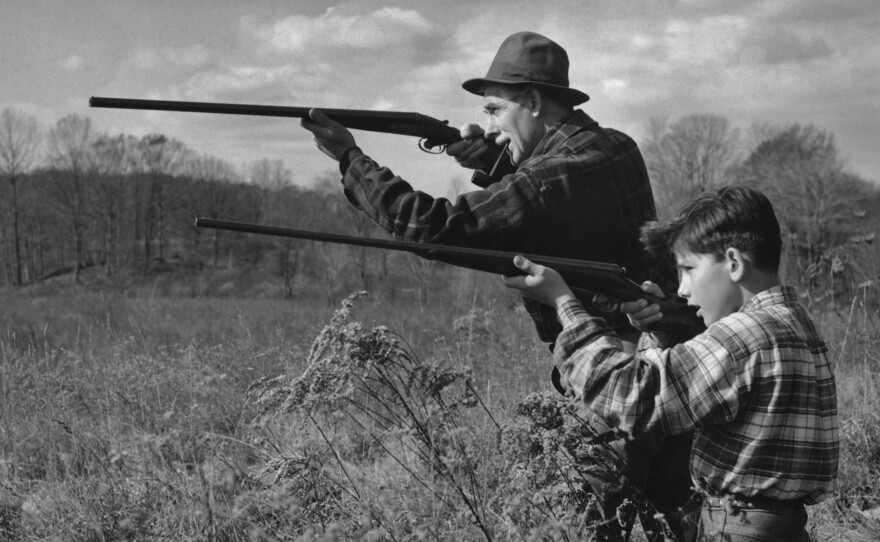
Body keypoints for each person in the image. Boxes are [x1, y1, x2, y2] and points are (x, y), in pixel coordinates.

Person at [300, 31, 693, 540]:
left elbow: (434, 228)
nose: (487, 124)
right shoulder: (617, 146)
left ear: (531, 102)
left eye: (493, 110)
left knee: (581, 524)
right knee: (676, 519)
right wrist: (487, 159)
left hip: (606, 372)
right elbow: (558, 201)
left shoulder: (551, 176)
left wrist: (350, 158)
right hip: (664, 362)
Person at [503, 185, 840, 541]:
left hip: (736, 529)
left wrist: (564, 305)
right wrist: (664, 334)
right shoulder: (798, 324)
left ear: (735, 263)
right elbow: (718, 391)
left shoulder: (743, 336)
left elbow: (628, 396)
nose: (681, 289)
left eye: (689, 269)